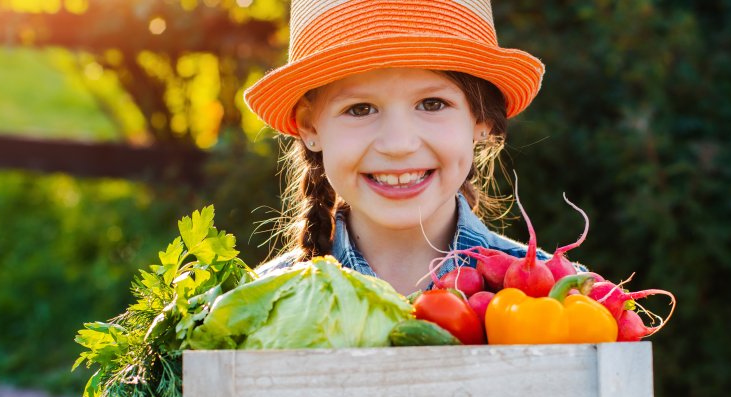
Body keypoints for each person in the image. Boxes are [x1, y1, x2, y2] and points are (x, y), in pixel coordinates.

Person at [245, 0, 585, 295]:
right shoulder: (248, 313)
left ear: (481, 118)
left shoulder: (567, 297)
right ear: (309, 127)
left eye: (432, 104)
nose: (398, 145)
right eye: (360, 109)